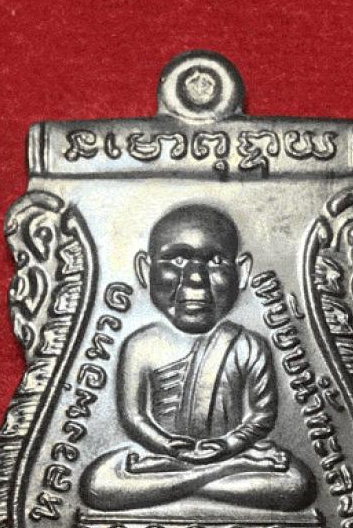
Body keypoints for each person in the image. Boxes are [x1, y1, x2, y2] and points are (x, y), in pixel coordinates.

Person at [80, 204, 315, 512]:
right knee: (99, 483)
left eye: (215, 261)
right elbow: (134, 417)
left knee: (296, 483)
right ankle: (210, 479)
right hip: (162, 459)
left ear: (242, 272)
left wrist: (228, 446)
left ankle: (195, 481)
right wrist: (167, 446)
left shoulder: (248, 344)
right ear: (144, 270)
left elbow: (261, 416)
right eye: (177, 260)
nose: (195, 279)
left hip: (232, 456)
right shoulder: (140, 345)